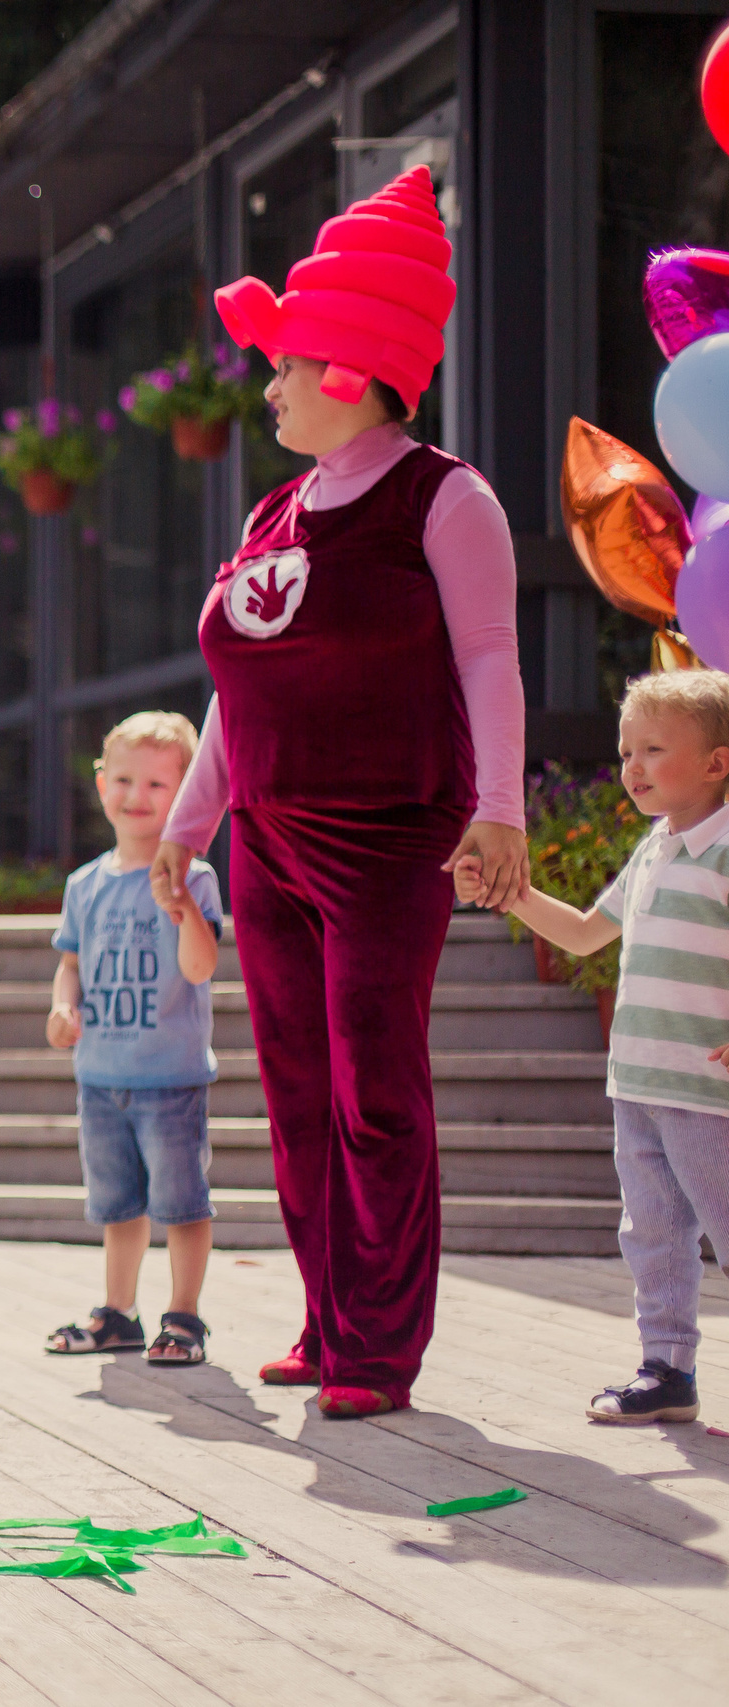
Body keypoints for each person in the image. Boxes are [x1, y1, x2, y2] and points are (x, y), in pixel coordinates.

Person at [154, 165, 527, 1419]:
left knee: (375, 1088)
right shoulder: (271, 509)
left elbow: (487, 658)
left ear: (349, 375)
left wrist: (503, 812)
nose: (264, 389)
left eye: (283, 368)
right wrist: (188, 820)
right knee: (298, 1092)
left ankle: (380, 1346)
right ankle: (326, 1319)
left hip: (384, 837)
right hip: (265, 840)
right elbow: (238, 688)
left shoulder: (445, 496)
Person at [457, 671, 729, 1426]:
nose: (632, 766)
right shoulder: (654, 848)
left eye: (652, 749)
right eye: (625, 751)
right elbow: (583, 931)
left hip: (706, 1087)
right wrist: (509, 892)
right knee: (654, 1234)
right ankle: (667, 1369)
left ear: (717, 763)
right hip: (636, 1081)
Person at [43, 711, 222, 1366]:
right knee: (118, 1205)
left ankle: (185, 1316)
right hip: (101, 1077)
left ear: (185, 798)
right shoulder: (84, 885)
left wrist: (180, 910)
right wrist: (63, 1008)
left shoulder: (193, 879)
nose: (136, 796)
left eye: (156, 784)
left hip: (170, 1079)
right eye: (124, 779)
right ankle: (119, 1313)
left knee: (181, 1203)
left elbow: (201, 968)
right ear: (100, 784)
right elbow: (72, 965)